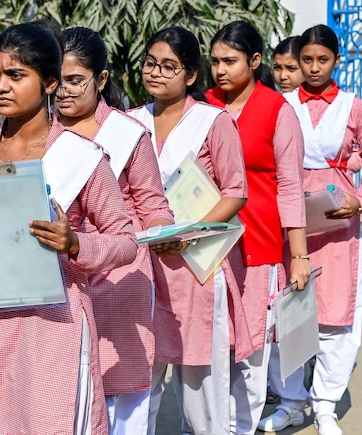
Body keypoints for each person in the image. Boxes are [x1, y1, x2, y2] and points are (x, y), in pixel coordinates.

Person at [0, 21, 138, 435]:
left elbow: (125, 242)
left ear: (50, 83)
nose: (1, 85)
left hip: (53, 328)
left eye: (16, 75)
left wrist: (75, 244)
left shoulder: (82, 157)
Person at [257, 24, 362, 435]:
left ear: (336, 61)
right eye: (306, 60)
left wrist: (359, 199)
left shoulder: (354, 107)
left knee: (336, 313)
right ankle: (291, 401)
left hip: (336, 220)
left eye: (322, 60)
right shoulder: (283, 104)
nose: (313, 68)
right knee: (289, 310)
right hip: (291, 216)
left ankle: (325, 402)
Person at [127, 26, 253, 435]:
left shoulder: (212, 121)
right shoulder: (130, 122)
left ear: (191, 75)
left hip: (196, 267)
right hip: (142, 265)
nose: (156, 73)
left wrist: (187, 236)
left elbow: (236, 192)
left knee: (201, 385)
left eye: (169, 66)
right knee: (140, 381)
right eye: (150, 63)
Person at [56, 26, 174, 434]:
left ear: (101, 80)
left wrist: (165, 233)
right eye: (58, 80)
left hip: (122, 276)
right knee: (67, 389)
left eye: (75, 81)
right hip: (63, 274)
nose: (64, 92)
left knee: (124, 397)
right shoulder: (40, 133)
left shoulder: (128, 135)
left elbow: (153, 202)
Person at [204, 20, 311, 434]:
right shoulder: (205, 105)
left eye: (230, 61)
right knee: (211, 349)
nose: (220, 70)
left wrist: (298, 256)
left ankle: (241, 428)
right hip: (207, 246)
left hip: (258, 247)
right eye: (214, 61)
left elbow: (290, 187)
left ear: (254, 60)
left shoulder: (276, 111)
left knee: (250, 354)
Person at [265, 34, 305, 407]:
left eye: (291, 67)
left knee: (298, 312)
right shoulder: (268, 104)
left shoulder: (287, 111)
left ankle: (296, 396)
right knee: (277, 312)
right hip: (271, 223)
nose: (284, 75)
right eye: (278, 68)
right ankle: (277, 390)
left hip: (312, 222)